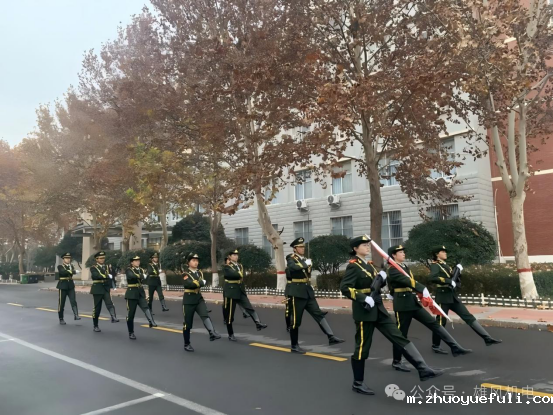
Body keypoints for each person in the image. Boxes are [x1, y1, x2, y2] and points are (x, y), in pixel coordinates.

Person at [341, 236, 444, 395]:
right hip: (364, 311)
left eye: (368, 245)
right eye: (364, 245)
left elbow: (375, 285)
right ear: (355, 248)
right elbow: (345, 288)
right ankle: (358, 382)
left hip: (378, 309)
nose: (367, 247)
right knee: (362, 347)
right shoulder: (353, 266)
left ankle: (422, 368)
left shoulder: (369, 265)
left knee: (398, 337)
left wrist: (382, 279)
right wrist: (363, 298)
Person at [387, 245, 472, 373]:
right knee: (401, 334)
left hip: (412, 301)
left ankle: (455, 347)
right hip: (402, 304)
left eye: (404, 252)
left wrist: (419, 292)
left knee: (433, 323)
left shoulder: (403, 266)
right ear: (393, 255)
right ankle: (397, 361)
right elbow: (405, 281)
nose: (403, 254)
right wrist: (422, 288)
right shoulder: (392, 269)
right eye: (400, 252)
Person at [430, 246, 502, 353]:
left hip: (452, 296)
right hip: (443, 297)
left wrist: (458, 271)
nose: (445, 253)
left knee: (467, 316)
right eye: (442, 251)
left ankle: (487, 338)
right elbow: (432, 278)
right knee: (440, 322)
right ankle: (435, 345)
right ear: (437, 254)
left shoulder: (445, 265)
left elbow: (453, 277)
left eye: (445, 251)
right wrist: (449, 281)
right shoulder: (435, 265)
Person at [286, 237, 344, 353]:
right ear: (295, 249)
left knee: (318, 314)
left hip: (307, 291)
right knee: (296, 321)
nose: (303, 249)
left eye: (303, 247)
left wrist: (306, 263)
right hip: (297, 293)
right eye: (300, 247)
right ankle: (294, 345)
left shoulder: (305, 259)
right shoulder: (291, 258)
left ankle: (331, 336)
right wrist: (304, 264)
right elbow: (293, 267)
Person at [222, 249, 267, 341]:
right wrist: (239, 274)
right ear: (229, 256)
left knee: (249, 307)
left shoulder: (240, 265)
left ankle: (258, 323)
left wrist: (239, 274)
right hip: (231, 292)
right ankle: (231, 334)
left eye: (237, 255)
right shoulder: (227, 267)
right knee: (230, 315)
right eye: (234, 255)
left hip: (240, 290)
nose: (236, 256)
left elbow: (240, 275)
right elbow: (235, 275)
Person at [182, 253, 221, 352]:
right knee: (187, 323)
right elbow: (189, 284)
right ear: (188, 262)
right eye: (193, 260)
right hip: (189, 300)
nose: (196, 262)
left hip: (198, 298)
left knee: (205, 314)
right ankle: (187, 344)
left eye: (197, 260)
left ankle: (212, 332)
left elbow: (201, 283)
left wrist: (198, 283)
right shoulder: (185, 273)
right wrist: (199, 283)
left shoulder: (199, 273)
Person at [125, 255, 157, 340]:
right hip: (132, 294)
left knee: (146, 307)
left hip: (140, 292)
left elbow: (146, 278)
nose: (137, 262)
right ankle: (131, 332)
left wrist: (146, 276)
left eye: (138, 260)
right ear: (132, 262)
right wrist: (142, 276)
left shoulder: (142, 270)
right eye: (135, 261)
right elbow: (132, 276)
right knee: (131, 314)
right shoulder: (129, 270)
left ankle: (151, 321)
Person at [90, 251, 119, 332]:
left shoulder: (107, 267)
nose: (102, 259)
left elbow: (112, 275)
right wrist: (106, 275)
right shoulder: (93, 267)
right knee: (97, 308)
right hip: (97, 289)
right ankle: (95, 325)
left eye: (103, 258)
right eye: (100, 258)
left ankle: (113, 317)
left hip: (105, 288)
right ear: (96, 259)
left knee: (110, 303)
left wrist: (113, 271)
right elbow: (96, 275)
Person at [56, 253, 80, 324]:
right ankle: (61, 318)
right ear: (63, 259)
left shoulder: (71, 266)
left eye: (69, 258)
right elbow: (63, 272)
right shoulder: (60, 266)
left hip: (70, 286)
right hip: (63, 286)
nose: (68, 259)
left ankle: (76, 315)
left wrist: (72, 271)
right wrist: (73, 271)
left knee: (73, 301)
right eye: (66, 258)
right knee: (61, 303)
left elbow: (70, 274)